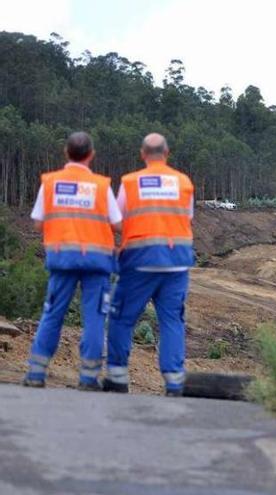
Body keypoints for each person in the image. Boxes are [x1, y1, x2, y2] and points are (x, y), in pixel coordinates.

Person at [24, 132, 122, 390]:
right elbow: (117, 223)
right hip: (97, 262)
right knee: (94, 318)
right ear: (91, 155)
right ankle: (88, 378)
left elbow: (37, 222)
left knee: (52, 313)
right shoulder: (101, 186)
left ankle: (36, 374)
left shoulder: (51, 182)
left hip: (62, 260)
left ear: (66, 153)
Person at [104, 133, 195, 396]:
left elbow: (117, 221)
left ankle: (118, 378)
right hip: (176, 262)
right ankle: (174, 383)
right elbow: (186, 218)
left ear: (143, 154)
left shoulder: (130, 183)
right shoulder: (183, 182)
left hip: (139, 262)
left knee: (122, 317)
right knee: (172, 322)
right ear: (167, 153)